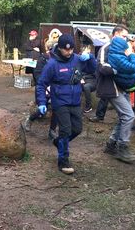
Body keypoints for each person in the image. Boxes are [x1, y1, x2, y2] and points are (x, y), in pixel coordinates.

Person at [36, 34, 96, 174]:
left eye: (71, 49)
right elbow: (41, 84)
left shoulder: (77, 59)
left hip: (75, 100)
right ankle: (63, 160)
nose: (69, 52)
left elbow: (92, 69)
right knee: (65, 130)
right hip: (60, 101)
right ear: (60, 48)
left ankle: (59, 142)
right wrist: (42, 102)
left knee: (77, 129)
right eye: (66, 50)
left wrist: (91, 58)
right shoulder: (52, 64)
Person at [97, 25, 135, 163]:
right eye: (124, 36)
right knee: (129, 116)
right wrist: (116, 70)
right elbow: (101, 66)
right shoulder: (106, 48)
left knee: (123, 117)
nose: (126, 39)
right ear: (115, 35)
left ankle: (111, 144)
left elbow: (129, 65)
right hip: (111, 88)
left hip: (122, 87)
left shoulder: (123, 49)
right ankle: (122, 147)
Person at [22, 39, 58, 140]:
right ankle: (30, 119)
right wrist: (46, 86)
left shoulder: (60, 60)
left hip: (55, 89)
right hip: (43, 88)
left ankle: (52, 130)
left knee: (57, 109)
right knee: (43, 110)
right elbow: (37, 74)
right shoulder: (43, 59)